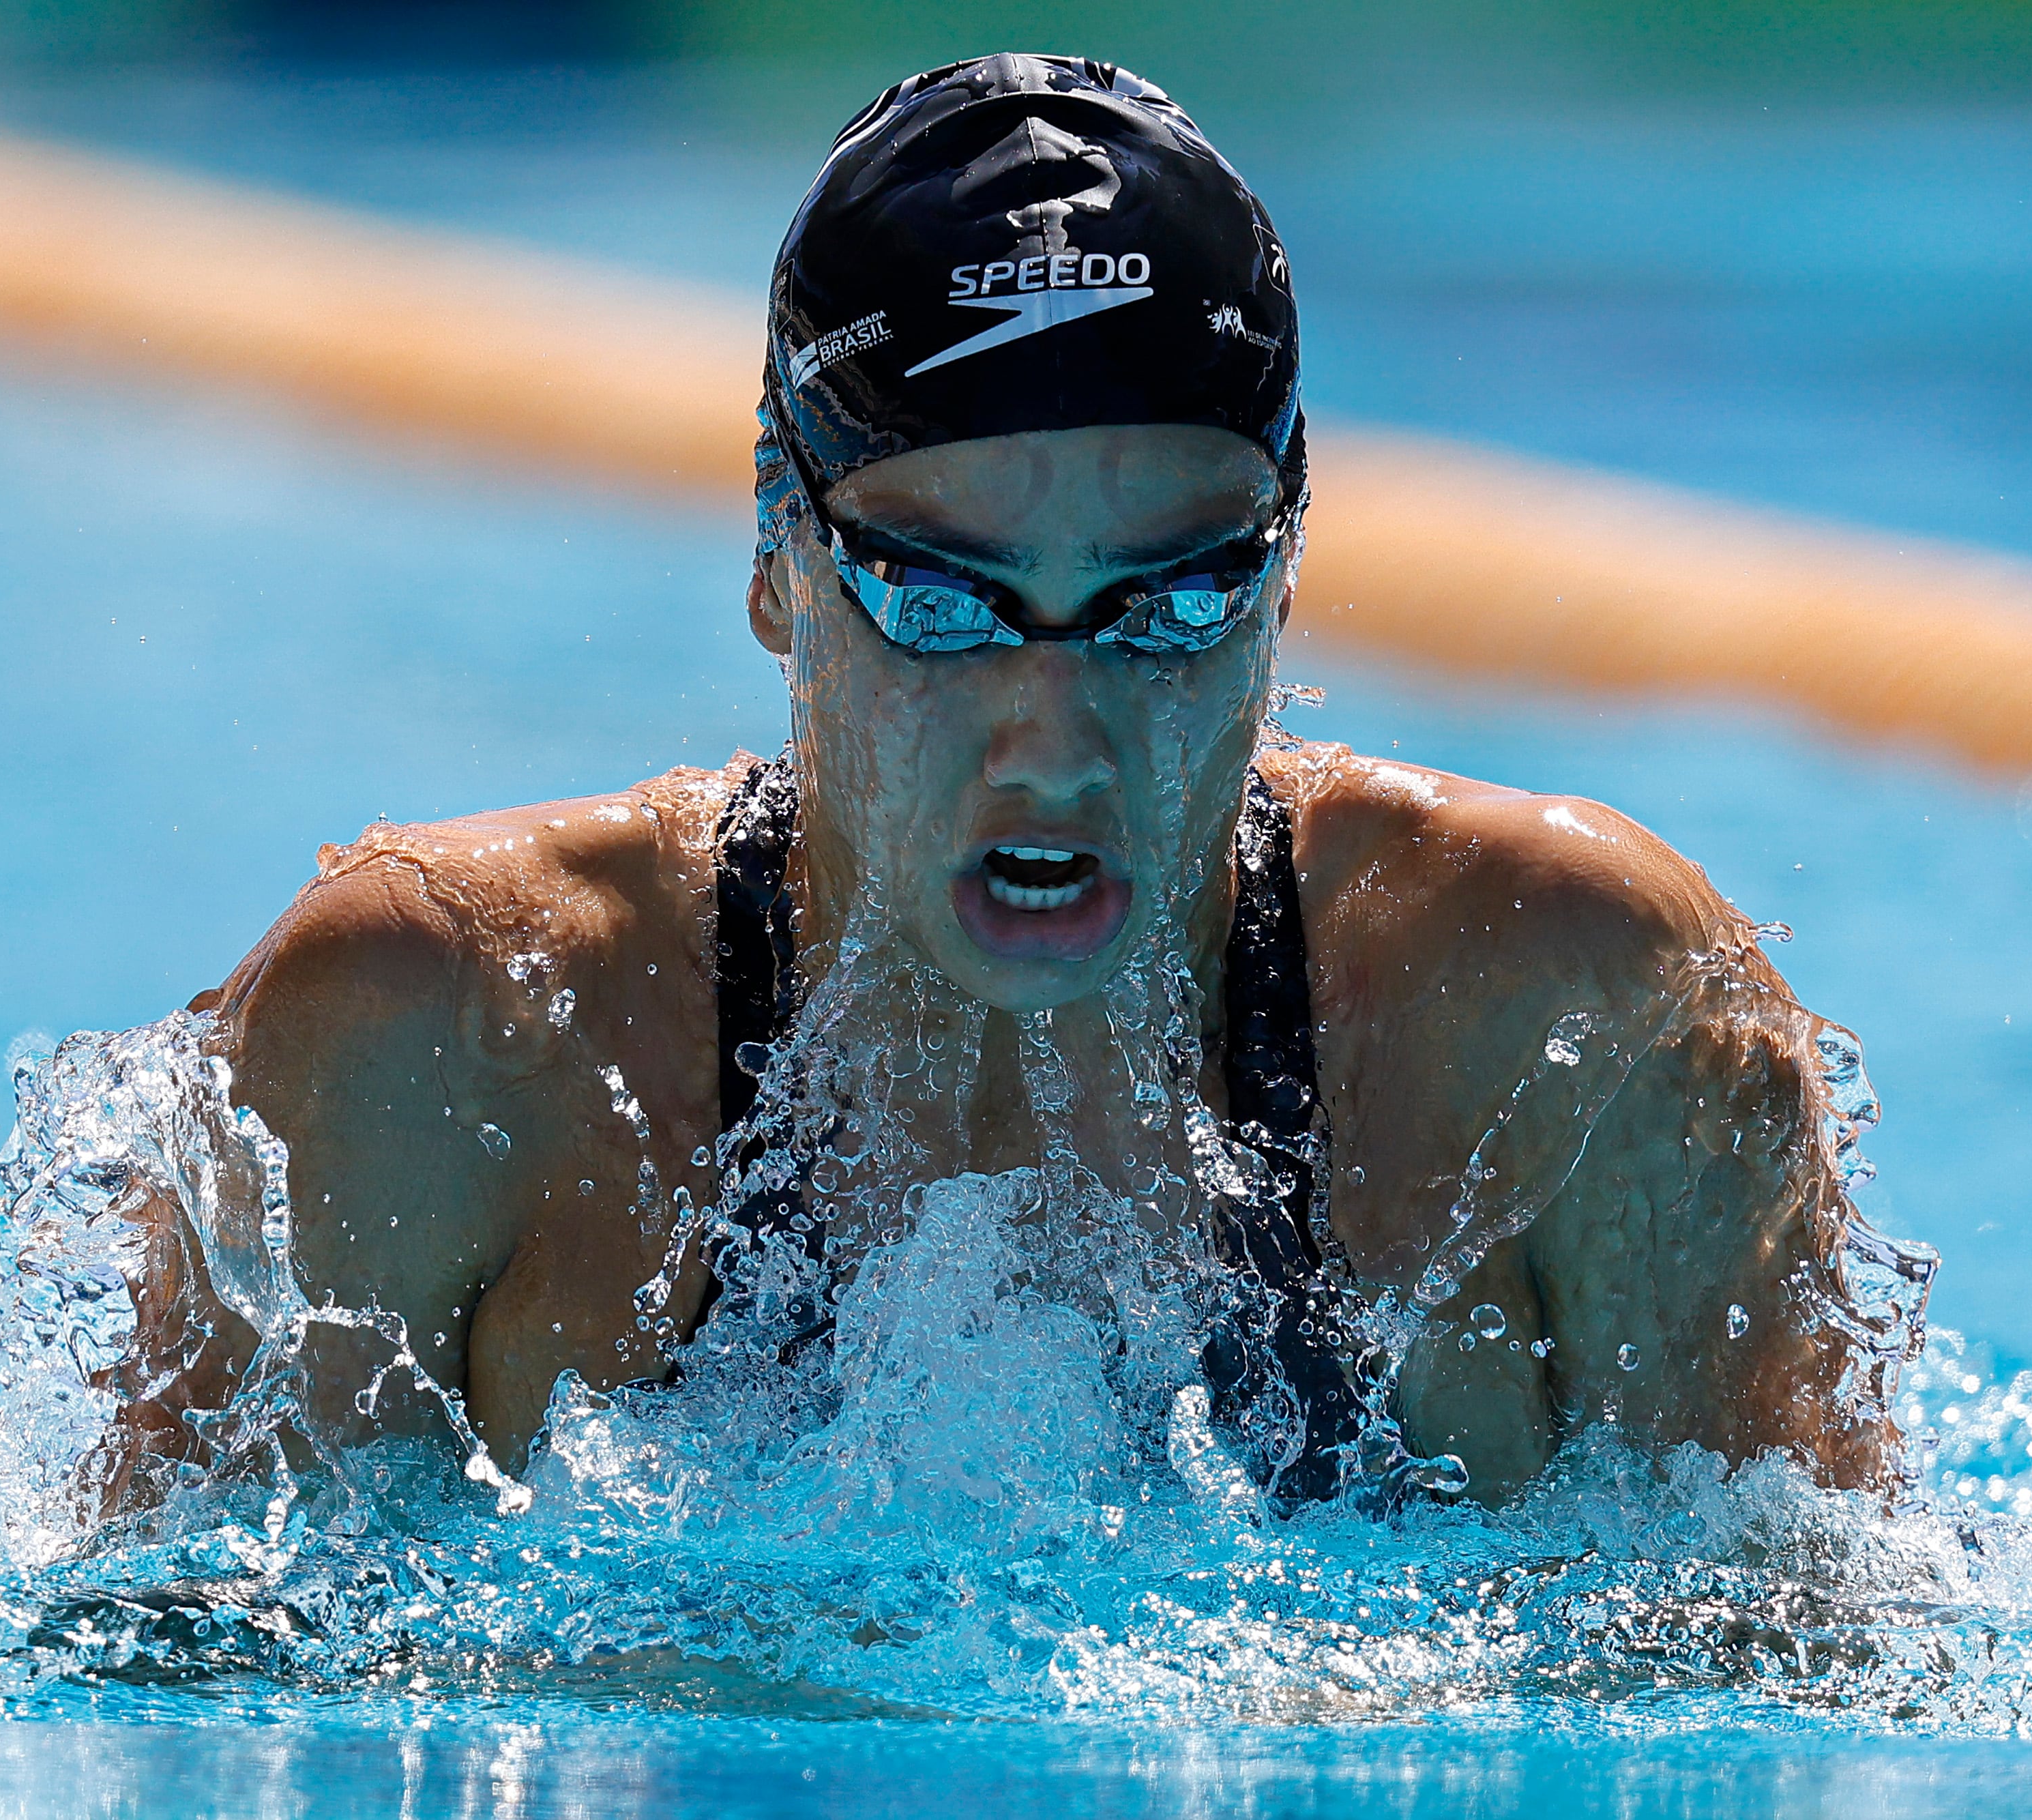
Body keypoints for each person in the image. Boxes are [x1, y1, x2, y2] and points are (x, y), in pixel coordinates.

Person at [121, 54, 1926, 1512]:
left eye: (1172, 598)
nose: (1055, 736)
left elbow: (1826, 1701)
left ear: (1289, 569)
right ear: (777, 557)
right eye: (935, 596)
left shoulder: (1573, 1029)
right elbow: (160, 1708)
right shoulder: (441, 1040)